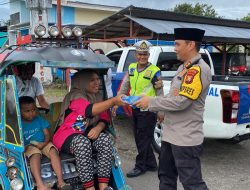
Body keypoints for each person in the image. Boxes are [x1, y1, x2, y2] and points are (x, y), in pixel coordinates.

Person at [133, 28, 211, 190]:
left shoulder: (197, 69)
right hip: (170, 136)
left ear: (190, 45)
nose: (174, 48)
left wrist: (151, 102)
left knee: (192, 184)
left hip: (185, 139)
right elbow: (171, 96)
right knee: (166, 178)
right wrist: (151, 103)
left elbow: (181, 102)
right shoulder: (183, 68)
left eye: (177, 44)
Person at [53, 69, 123, 190]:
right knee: (82, 143)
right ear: (82, 82)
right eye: (92, 80)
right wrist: (113, 101)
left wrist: (98, 127)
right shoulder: (75, 95)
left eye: (97, 79)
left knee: (105, 140)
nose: (97, 82)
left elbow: (104, 117)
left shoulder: (97, 96)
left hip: (87, 131)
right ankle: (90, 188)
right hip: (67, 134)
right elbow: (88, 110)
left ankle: (103, 186)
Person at [114, 40, 164, 178]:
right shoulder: (131, 68)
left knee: (142, 139)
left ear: (148, 55)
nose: (142, 57)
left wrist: (161, 110)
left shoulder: (154, 71)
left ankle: (140, 166)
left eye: (145, 54)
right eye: (140, 54)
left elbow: (159, 92)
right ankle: (152, 164)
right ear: (136, 55)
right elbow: (125, 86)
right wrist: (118, 101)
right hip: (135, 109)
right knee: (140, 137)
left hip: (149, 110)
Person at [19, 96, 72, 190]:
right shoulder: (18, 124)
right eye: (27, 111)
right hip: (29, 146)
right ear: (19, 112)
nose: (31, 113)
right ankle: (40, 185)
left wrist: (44, 143)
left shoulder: (39, 119)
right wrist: (26, 147)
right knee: (35, 154)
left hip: (43, 142)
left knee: (53, 150)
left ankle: (61, 181)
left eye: (33, 109)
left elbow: (47, 134)